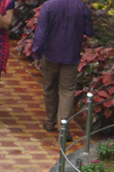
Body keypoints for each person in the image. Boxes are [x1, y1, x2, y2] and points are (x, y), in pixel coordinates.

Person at [31, 0, 91, 136]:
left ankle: (50, 122)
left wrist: (37, 53)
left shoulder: (49, 6)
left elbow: (41, 32)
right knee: (67, 90)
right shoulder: (81, 6)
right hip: (71, 54)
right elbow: (89, 30)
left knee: (49, 87)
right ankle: (64, 129)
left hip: (50, 54)